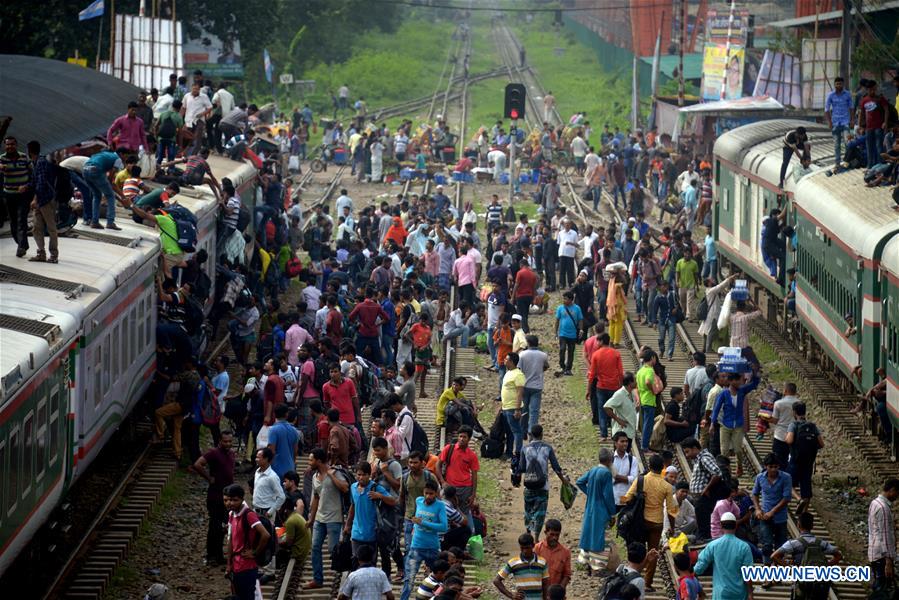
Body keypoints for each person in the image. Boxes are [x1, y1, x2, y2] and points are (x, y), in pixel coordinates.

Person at [621, 454, 677, 592]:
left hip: (640, 522)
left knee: (638, 550)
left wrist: (622, 502)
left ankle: (633, 577)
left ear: (649, 466)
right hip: (657, 524)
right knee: (653, 551)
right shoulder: (667, 487)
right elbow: (671, 511)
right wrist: (672, 527)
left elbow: (627, 498)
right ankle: (647, 583)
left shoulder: (641, 480)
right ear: (663, 467)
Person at [305, 448, 351, 590]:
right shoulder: (314, 477)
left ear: (319, 460)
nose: (309, 462)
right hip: (319, 519)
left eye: (311, 460)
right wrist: (311, 518)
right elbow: (316, 498)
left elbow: (345, 488)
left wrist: (331, 476)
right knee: (315, 548)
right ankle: (318, 579)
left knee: (333, 550)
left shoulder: (335, 472)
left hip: (334, 518)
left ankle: (347, 576)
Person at [516, 425, 568, 540]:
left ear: (531, 435)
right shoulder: (547, 448)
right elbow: (556, 467)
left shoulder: (525, 449)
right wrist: (563, 481)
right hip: (543, 486)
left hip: (529, 485)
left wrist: (517, 479)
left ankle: (528, 533)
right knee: (540, 513)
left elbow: (521, 468)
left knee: (528, 510)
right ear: (542, 434)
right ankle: (536, 537)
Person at [191, 430, 235, 566]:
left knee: (223, 526)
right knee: (214, 526)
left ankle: (219, 555)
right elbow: (198, 464)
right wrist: (209, 478)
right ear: (220, 441)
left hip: (227, 497)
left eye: (229, 441)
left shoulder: (231, 454)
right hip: (215, 496)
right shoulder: (213, 453)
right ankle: (211, 556)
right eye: (225, 441)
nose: (227, 443)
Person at [401, 480, 448, 600]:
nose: (428, 496)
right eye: (426, 493)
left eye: (431, 494)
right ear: (423, 492)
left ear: (436, 494)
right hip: (416, 546)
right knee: (409, 579)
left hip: (432, 547)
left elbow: (444, 526)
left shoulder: (440, 506)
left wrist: (423, 523)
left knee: (440, 578)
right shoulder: (418, 501)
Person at [344, 461, 398, 567]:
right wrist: (348, 525)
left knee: (370, 563)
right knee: (355, 562)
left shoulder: (375, 488)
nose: (361, 477)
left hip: (371, 533)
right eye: (359, 475)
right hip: (356, 533)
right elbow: (353, 506)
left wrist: (380, 496)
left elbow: (393, 501)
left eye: (364, 475)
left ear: (369, 475)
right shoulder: (353, 488)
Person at [223, 484, 272, 600]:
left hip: (247, 566)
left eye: (235, 500)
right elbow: (231, 541)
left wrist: (255, 552)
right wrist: (229, 564)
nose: (230, 503)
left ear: (241, 500)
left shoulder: (249, 515)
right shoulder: (232, 514)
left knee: (247, 596)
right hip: (236, 564)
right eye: (228, 500)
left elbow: (265, 535)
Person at [711, 370, 760, 478]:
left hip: (738, 425)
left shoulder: (742, 391)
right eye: (737, 380)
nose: (739, 382)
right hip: (725, 425)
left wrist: (756, 373)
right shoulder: (724, 393)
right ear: (731, 381)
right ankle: (726, 470)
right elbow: (716, 409)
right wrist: (712, 423)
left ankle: (739, 466)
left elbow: (754, 384)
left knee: (738, 449)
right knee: (724, 450)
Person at [694, 512, 753, 600]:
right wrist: (750, 594)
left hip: (720, 594)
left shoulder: (713, 545)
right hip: (739, 594)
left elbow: (698, 569)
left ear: (721, 526)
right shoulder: (744, 547)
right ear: (735, 525)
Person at [576, 447, 617, 567]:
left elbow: (580, 482)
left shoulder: (593, 470)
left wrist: (590, 492)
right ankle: (597, 563)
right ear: (610, 460)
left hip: (590, 506)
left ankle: (584, 559)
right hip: (601, 508)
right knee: (600, 535)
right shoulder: (606, 473)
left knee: (588, 531)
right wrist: (612, 513)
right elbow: (608, 495)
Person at [751, 453, 793, 567]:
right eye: (771, 467)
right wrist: (758, 509)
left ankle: (777, 570)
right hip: (765, 517)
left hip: (780, 517)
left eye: (776, 467)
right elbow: (754, 494)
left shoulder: (786, 478)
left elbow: (786, 498)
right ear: (766, 466)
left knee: (780, 546)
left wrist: (772, 512)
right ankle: (767, 569)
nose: (773, 469)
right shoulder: (760, 478)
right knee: (767, 544)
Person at [784, 401, 824, 516]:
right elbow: (821, 444)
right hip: (808, 462)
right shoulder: (812, 426)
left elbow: (790, 440)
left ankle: (798, 498)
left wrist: (786, 439)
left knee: (788, 483)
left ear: (794, 412)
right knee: (806, 487)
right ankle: (805, 513)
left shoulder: (794, 425)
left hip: (795, 460)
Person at [681, 437, 722, 542]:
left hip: (703, 498)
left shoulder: (704, 458)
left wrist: (706, 488)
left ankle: (705, 543)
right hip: (700, 498)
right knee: (702, 523)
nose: (687, 455)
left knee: (704, 525)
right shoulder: (698, 459)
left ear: (695, 448)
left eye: (687, 451)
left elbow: (717, 473)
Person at [435, 426, 479, 519]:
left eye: (464, 437)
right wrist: (442, 482)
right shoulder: (448, 449)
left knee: (464, 513)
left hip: (465, 488)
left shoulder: (472, 455)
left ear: (469, 439)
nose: (462, 439)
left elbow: (474, 475)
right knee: (446, 512)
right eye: (460, 436)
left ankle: (469, 532)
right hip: (449, 487)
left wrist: (473, 494)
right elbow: (437, 465)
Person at [26, 140, 59, 263]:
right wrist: (26, 186)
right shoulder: (36, 162)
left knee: (51, 228)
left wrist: (35, 200)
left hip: (46, 200)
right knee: (36, 227)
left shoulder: (40, 162)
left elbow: (41, 184)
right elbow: (35, 182)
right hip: (41, 200)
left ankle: (54, 255)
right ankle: (41, 253)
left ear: (29, 151)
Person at [493, 533, 549, 600]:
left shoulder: (542, 562)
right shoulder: (513, 562)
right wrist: (511, 595)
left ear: (533, 546)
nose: (525, 551)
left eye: (527, 548)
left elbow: (545, 584)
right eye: (522, 548)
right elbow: (496, 581)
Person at [867, 478, 899, 591]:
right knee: (882, 589)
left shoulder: (874, 503)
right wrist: (889, 562)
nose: (897, 497)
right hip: (882, 556)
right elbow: (885, 536)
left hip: (874, 553)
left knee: (879, 585)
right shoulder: (883, 508)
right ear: (892, 490)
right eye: (897, 493)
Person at [518, 335, 550, 434]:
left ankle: (522, 429)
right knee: (534, 411)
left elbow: (519, 369)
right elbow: (546, 366)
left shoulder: (522, 354)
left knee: (524, 409)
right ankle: (532, 431)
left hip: (524, 385)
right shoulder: (543, 355)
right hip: (537, 386)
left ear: (528, 343)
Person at [825, 76, 854, 171]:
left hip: (846, 122)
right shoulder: (830, 95)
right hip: (835, 123)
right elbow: (826, 110)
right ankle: (837, 163)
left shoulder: (848, 94)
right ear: (834, 85)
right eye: (837, 84)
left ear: (843, 84)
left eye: (840, 84)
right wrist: (829, 122)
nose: (839, 85)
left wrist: (852, 120)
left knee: (847, 142)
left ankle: (847, 161)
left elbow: (851, 108)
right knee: (836, 144)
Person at [501, 353, 527, 457]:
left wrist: (517, 409)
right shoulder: (509, 373)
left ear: (512, 362)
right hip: (506, 406)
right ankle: (509, 451)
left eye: (506, 359)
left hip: (513, 407)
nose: (504, 360)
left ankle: (518, 451)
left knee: (516, 430)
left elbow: (520, 392)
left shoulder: (518, 374)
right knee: (509, 430)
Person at [534, 519, 571, 591]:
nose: (555, 538)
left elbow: (567, 575)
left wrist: (559, 590)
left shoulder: (565, 552)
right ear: (545, 532)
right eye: (552, 534)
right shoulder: (537, 548)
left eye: (557, 535)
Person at [604, 374, 639, 446]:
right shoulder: (619, 394)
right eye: (635, 380)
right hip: (621, 432)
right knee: (619, 455)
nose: (636, 382)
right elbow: (606, 407)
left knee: (625, 455)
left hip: (629, 431)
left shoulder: (631, 393)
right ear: (630, 383)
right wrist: (618, 420)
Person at [554, 291, 583, 377]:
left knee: (571, 352)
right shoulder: (560, 308)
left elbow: (580, 319)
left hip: (573, 334)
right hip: (562, 333)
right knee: (562, 349)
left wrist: (581, 330)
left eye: (565, 299)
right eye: (563, 298)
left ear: (571, 300)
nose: (563, 300)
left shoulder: (577, 308)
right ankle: (562, 365)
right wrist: (555, 332)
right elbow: (557, 320)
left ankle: (568, 369)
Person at [267, 403, 299, 478]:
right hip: (290, 468)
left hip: (276, 469)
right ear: (287, 414)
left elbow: (271, 451)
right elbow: (295, 451)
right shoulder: (294, 430)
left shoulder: (273, 430)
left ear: (274, 414)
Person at [635, 349, 659, 452]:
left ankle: (643, 443)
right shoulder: (650, 370)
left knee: (645, 422)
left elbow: (637, 385)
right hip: (649, 400)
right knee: (648, 424)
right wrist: (654, 390)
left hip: (643, 399)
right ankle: (644, 445)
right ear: (652, 358)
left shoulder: (640, 370)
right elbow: (648, 381)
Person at [280, 496, 312, 566]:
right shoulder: (296, 515)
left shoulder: (290, 521)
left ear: (285, 510)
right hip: (303, 550)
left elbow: (289, 543)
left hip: (298, 553)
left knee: (277, 549)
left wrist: (279, 542)